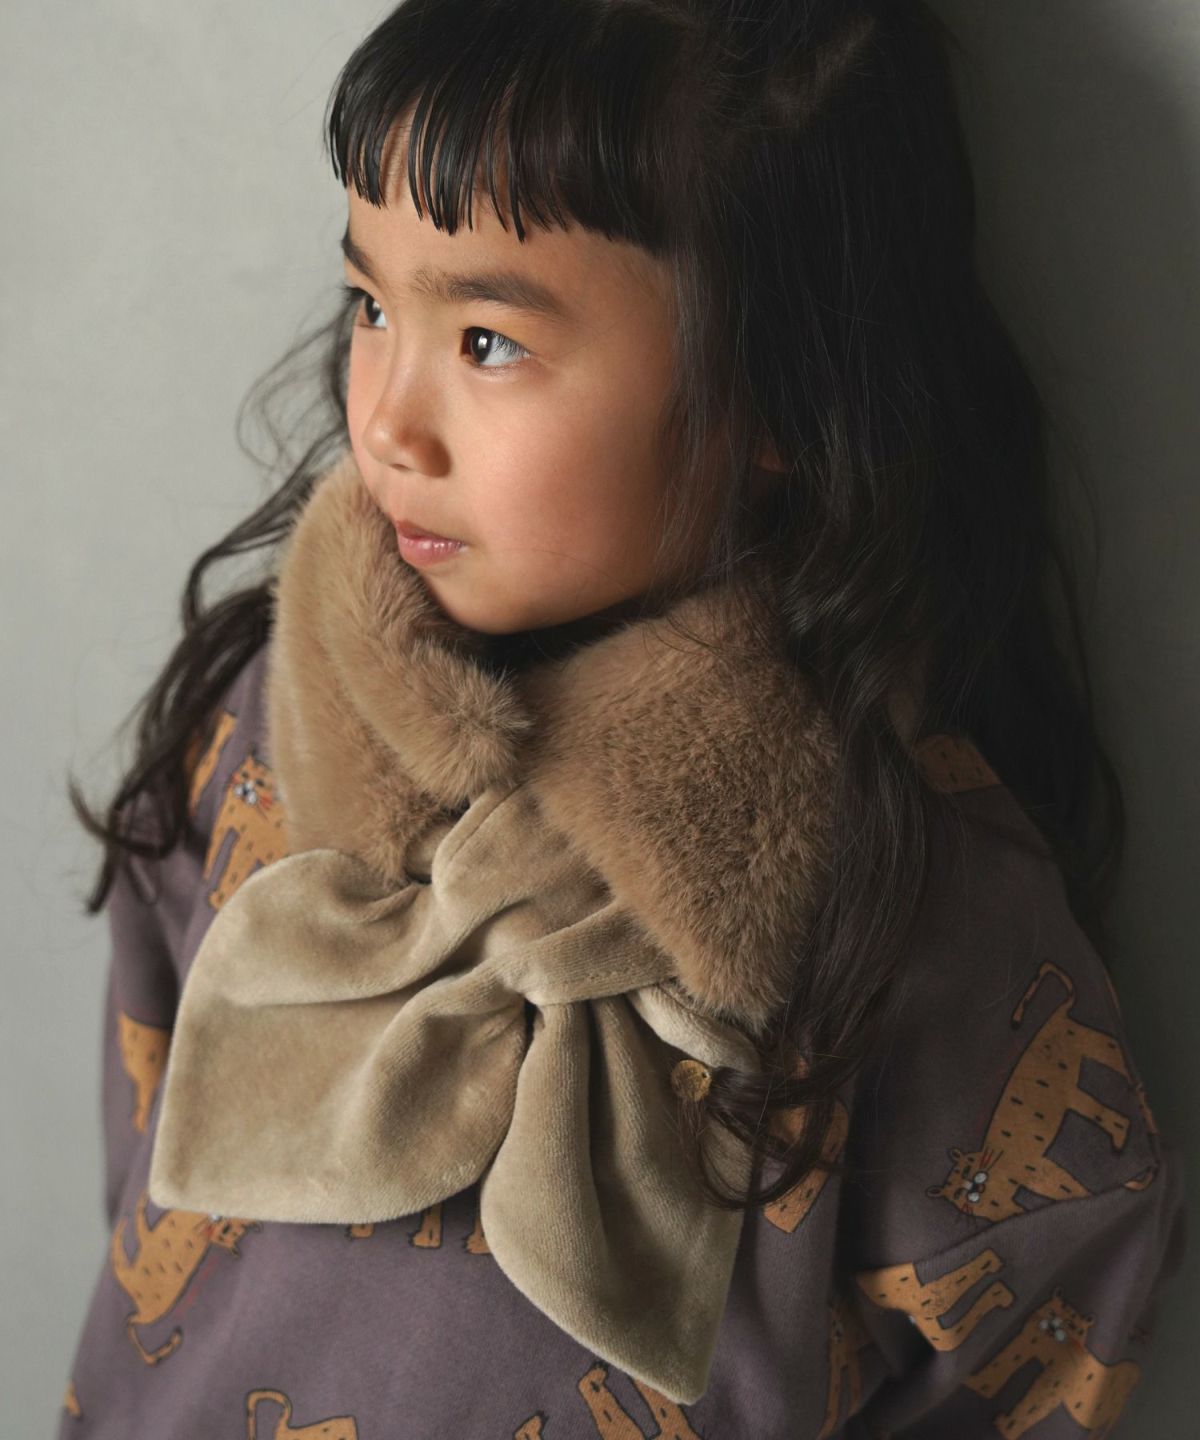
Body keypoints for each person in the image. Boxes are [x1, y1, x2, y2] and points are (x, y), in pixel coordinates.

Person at [58, 1, 1187, 1436]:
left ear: (774, 391)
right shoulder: (255, 722)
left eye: (487, 340)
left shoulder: (910, 900)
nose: (387, 421)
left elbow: (1042, 1328)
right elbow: (147, 1154)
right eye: (371, 308)